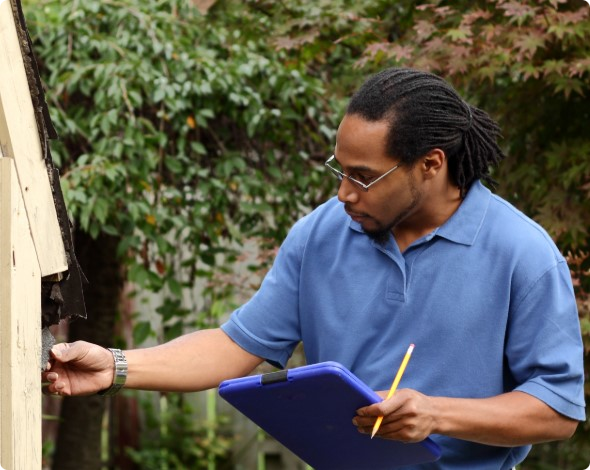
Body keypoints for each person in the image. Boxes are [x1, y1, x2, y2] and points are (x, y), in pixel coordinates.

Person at [44, 67, 585, 469]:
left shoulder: (522, 253)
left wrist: (437, 414)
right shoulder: (322, 232)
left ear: (431, 164)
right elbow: (237, 346)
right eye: (340, 169)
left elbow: (557, 411)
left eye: (364, 176)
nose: (344, 193)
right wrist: (115, 366)